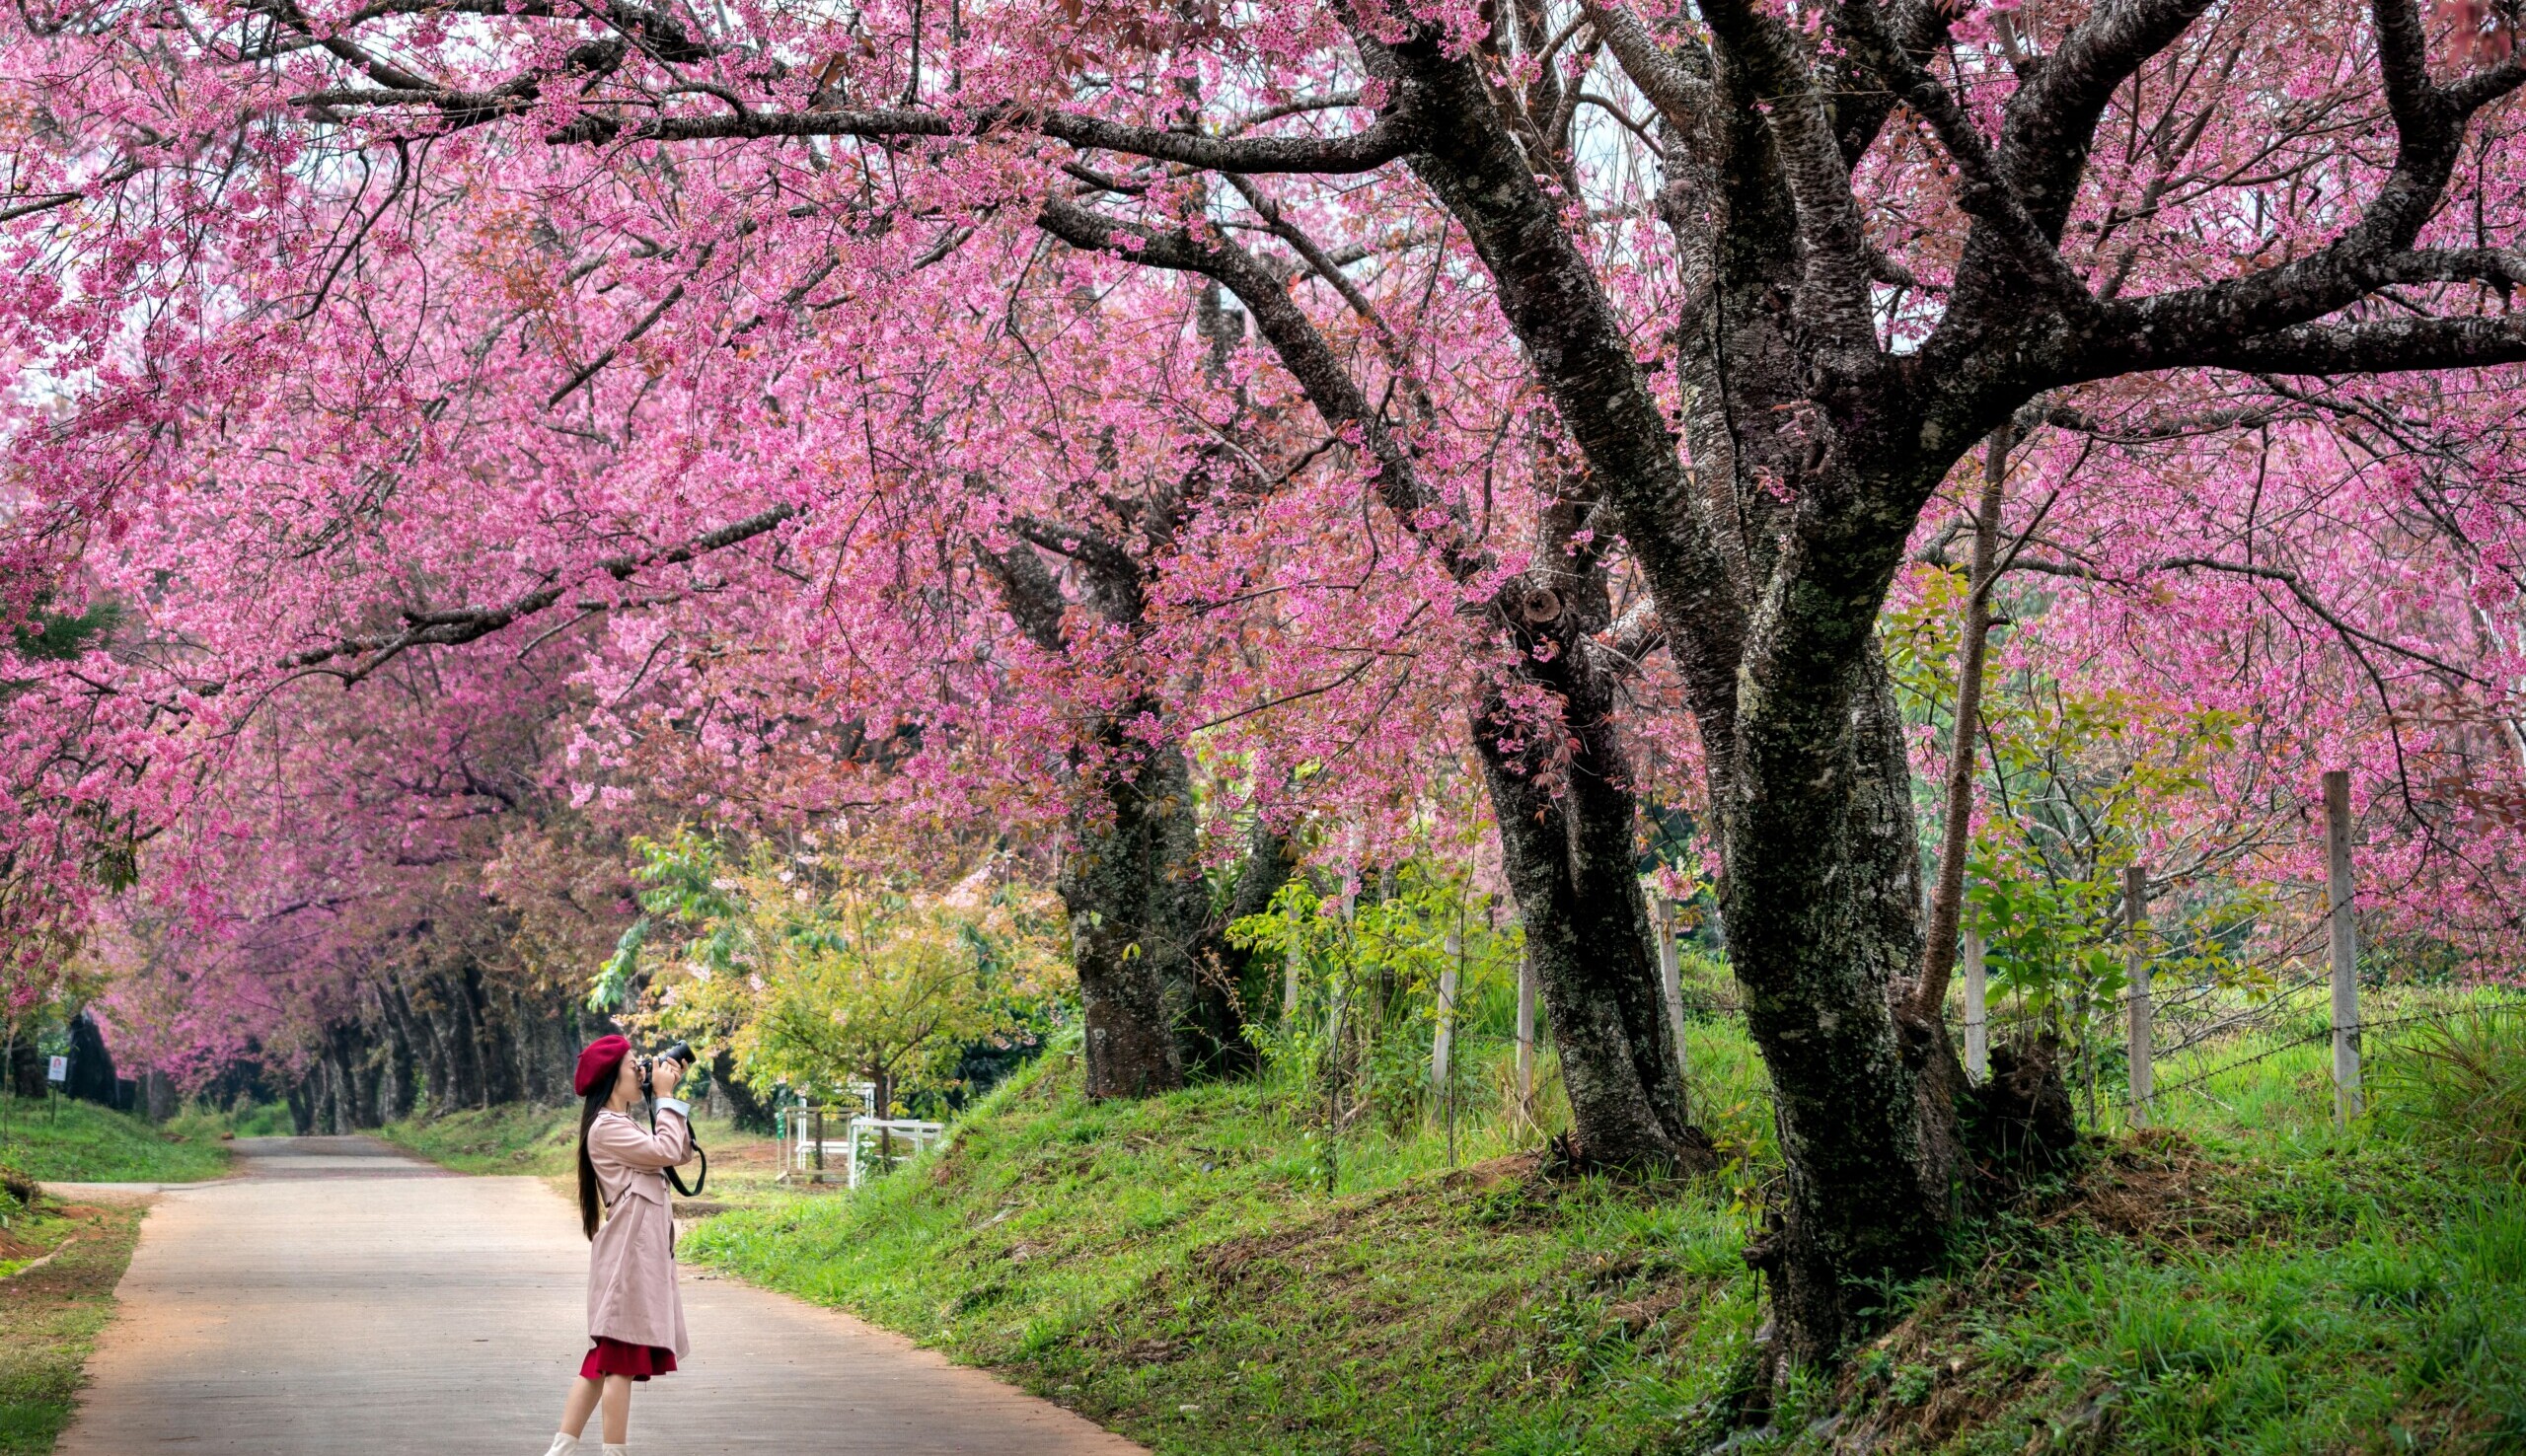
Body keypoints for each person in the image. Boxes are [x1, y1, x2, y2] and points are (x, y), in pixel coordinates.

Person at [542, 1035, 696, 1456]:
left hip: (636, 1252)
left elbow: (677, 1151)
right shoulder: (607, 1127)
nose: (641, 1070)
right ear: (612, 1077)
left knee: (602, 1361)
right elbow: (666, 1149)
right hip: (629, 1255)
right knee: (620, 1363)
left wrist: (662, 1099)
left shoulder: (621, 1123)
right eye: (633, 1065)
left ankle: (562, 1448)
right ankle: (615, 1451)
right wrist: (663, 1097)